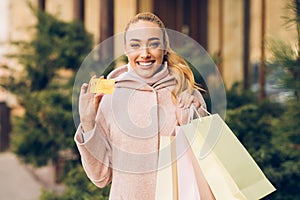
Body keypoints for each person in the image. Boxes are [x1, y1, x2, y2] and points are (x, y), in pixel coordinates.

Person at [75, 12, 214, 199]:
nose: (145, 53)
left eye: (153, 44)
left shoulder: (185, 92)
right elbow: (100, 177)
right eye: (135, 45)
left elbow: (205, 163)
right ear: (125, 49)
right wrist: (88, 123)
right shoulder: (109, 97)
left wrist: (189, 120)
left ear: (164, 48)